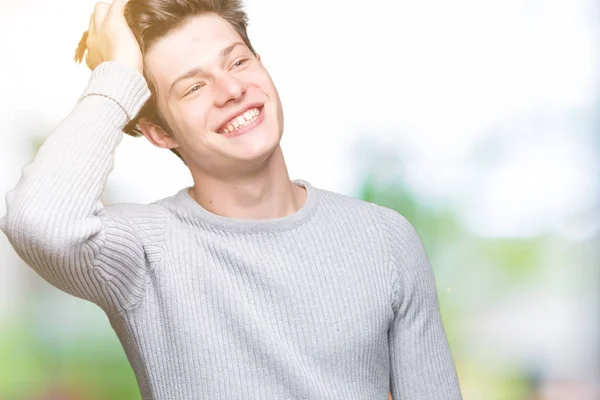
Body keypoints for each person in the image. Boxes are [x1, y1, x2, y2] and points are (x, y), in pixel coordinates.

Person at [0, 0, 463, 398]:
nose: (232, 90)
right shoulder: (144, 253)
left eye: (238, 62)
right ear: (159, 133)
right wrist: (118, 70)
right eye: (193, 87)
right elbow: (38, 219)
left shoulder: (383, 238)